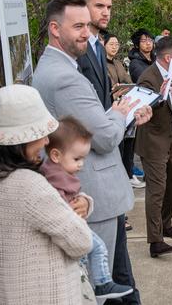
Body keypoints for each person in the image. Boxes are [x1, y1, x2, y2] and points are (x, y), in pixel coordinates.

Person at [32, 0, 151, 304]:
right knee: (97, 291)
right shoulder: (65, 79)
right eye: (78, 26)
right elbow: (103, 138)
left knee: (118, 283)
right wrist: (122, 110)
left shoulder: (55, 68)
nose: (87, 33)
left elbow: (89, 129)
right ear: (55, 29)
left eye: (87, 25)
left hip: (93, 192)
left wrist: (124, 117)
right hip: (94, 194)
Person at [0, 85, 93, 304]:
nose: (45, 141)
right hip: (47, 295)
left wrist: (85, 203)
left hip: (4, 294)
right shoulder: (28, 186)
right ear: (19, 140)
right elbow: (80, 242)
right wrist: (83, 207)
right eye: (39, 134)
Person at [41, 117, 134, 299]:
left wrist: (84, 202)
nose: (81, 164)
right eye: (76, 159)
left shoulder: (58, 172)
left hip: (73, 226)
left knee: (84, 258)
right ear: (56, 155)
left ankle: (91, 286)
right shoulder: (54, 178)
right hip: (71, 227)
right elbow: (57, 206)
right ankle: (102, 283)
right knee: (97, 247)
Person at [135, 37, 172, 257]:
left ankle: (166, 224)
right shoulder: (148, 78)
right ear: (169, 58)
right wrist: (160, 96)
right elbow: (144, 107)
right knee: (156, 190)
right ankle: (155, 241)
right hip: (154, 140)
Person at [103, 33, 144, 190]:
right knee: (118, 145)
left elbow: (128, 81)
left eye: (117, 44)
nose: (115, 47)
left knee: (129, 143)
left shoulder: (119, 63)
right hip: (112, 108)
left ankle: (128, 173)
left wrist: (126, 87)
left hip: (126, 106)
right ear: (104, 45)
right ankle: (120, 177)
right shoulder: (102, 64)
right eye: (111, 44)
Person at [77, 0, 113, 110]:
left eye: (109, 7)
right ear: (83, 7)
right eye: (99, 6)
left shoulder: (101, 49)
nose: (106, 13)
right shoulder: (75, 49)